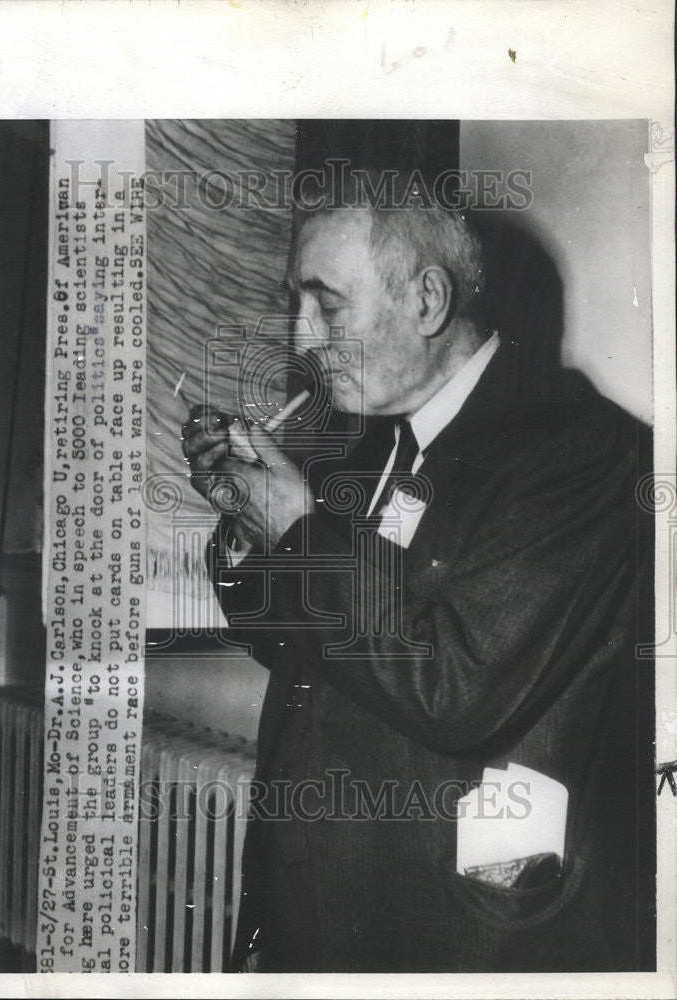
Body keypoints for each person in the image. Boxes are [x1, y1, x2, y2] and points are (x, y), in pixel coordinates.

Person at [181, 186, 654, 972]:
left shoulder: (578, 453)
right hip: (318, 911)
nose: (303, 337)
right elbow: (312, 652)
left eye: (327, 307)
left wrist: (299, 532)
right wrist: (248, 528)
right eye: (294, 303)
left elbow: (453, 685)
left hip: (454, 941)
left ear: (428, 300)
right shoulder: (368, 448)